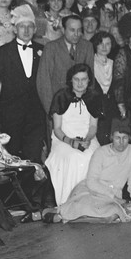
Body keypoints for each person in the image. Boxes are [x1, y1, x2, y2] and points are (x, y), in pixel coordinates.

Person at [0, 8, 47, 164]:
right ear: (15, 29)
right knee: (11, 157)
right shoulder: (3, 52)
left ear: (35, 29)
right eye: (22, 26)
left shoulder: (42, 51)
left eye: (30, 26)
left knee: (33, 157)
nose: (26, 30)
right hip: (10, 114)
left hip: (35, 115)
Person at [42, 62, 102, 208]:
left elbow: (93, 126)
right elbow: (57, 129)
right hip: (63, 138)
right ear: (70, 80)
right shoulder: (61, 96)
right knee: (73, 157)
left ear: (89, 80)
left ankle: (92, 204)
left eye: (84, 79)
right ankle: (69, 204)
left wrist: (87, 140)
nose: (80, 83)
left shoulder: (94, 97)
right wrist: (71, 142)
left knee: (94, 156)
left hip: (87, 137)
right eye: (76, 79)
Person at [58, 119, 131, 223]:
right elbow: (91, 182)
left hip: (111, 198)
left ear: (129, 138)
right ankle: (68, 215)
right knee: (88, 208)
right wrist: (116, 198)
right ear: (111, 137)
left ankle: (72, 218)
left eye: (125, 138)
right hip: (92, 191)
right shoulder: (101, 152)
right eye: (117, 138)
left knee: (113, 214)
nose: (121, 142)